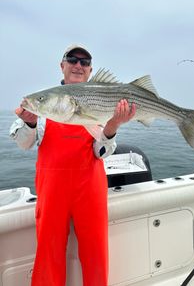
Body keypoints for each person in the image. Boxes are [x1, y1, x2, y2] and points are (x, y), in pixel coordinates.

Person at [10, 44, 136, 286]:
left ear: (89, 71)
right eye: (72, 59)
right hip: (52, 190)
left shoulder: (97, 102)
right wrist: (30, 123)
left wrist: (112, 127)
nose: (78, 65)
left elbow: (102, 152)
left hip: (90, 187)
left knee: (96, 252)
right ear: (62, 65)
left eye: (85, 62)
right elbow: (24, 144)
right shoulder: (45, 103)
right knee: (48, 251)